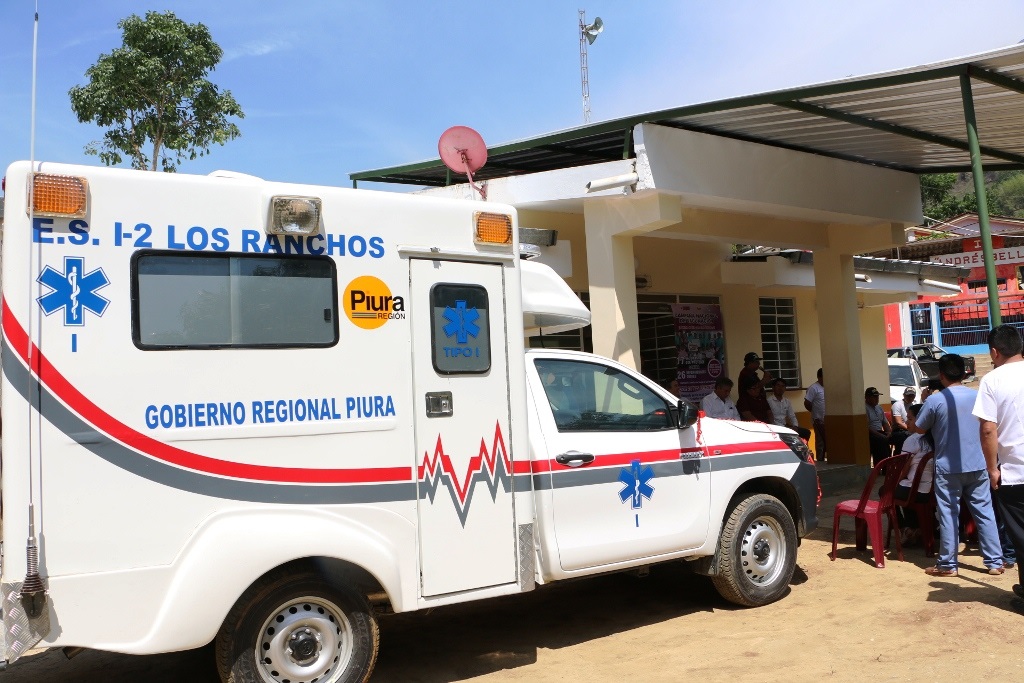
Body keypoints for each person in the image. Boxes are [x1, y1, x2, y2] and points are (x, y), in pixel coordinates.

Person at [914, 354, 1004, 577]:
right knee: (984, 513)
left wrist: (925, 398)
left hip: (948, 468)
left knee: (948, 515)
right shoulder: (978, 397)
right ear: (964, 374)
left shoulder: (935, 401)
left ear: (941, 375)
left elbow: (918, 428)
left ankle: (948, 564)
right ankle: (994, 562)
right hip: (977, 464)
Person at [974, 324, 1024, 610]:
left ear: (994, 352)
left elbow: (988, 430)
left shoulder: (992, 381)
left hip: (1015, 474)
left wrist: (992, 469)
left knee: (1020, 536)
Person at [893, 403, 934, 544]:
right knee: (905, 487)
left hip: (917, 491)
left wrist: (895, 481)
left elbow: (903, 468)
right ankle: (916, 528)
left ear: (921, 420)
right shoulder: (936, 437)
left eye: (910, 419)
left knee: (885, 492)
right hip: (933, 491)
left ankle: (906, 529)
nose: (906, 422)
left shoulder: (912, 440)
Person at [865, 387, 892, 466]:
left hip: (881, 432)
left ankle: (891, 464)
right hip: (872, 434)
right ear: (867, 398)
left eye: (877, 397)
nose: (877, 399)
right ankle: (881, 466)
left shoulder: (879, 407)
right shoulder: (865, 408)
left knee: (899, 438)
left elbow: (885, 422)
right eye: (874, 397)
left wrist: (889, 432)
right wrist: (880, 435)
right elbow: (867, 427)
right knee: (881, 441)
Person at [804, 368, 825, 462]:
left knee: (828, 441)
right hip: (818, 420)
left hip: (828, 419)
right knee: (820, 442)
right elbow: (807, 403)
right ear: (820, 377)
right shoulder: (813, 388)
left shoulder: (827, 386)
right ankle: (820, 460)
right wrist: (815, 414)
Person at [889, 386, 915, 453]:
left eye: (912, 396)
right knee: (903, 438)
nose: (910, 398)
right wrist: (911, 430)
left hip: (908, 429)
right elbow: (899, 423)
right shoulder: (897, 405)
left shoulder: (912, 405)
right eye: (908, 396)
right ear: (904, 395)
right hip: (898, 431)